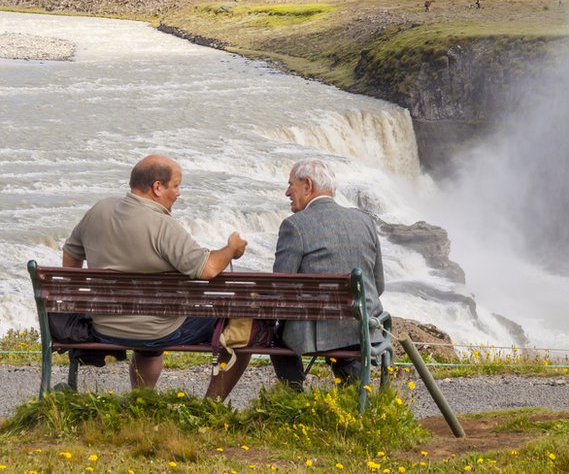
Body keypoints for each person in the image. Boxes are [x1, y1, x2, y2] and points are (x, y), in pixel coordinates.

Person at [62, 154, 249, 399]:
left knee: (151, 324)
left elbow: (70, 253)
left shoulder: (100, 209)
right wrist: (231, 248)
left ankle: (143, 399)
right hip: (157, 330)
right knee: (243, 329)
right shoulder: (163, 226)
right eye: (176, 185)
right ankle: (211, 406)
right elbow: (208, 268)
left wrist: (78, 298)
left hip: (103, 325)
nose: (179, 193)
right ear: (157, 187)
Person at [269, 158, 385, 389]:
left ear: (308, 185)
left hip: (315, 334)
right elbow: (378, 284)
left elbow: (279, 289)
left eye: (291, 185)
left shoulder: (294, 226)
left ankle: (293, 394)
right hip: (362, 327)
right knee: (345, 333)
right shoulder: (365, 221)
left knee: (271, 334)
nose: (287, 192)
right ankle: (352, 385)